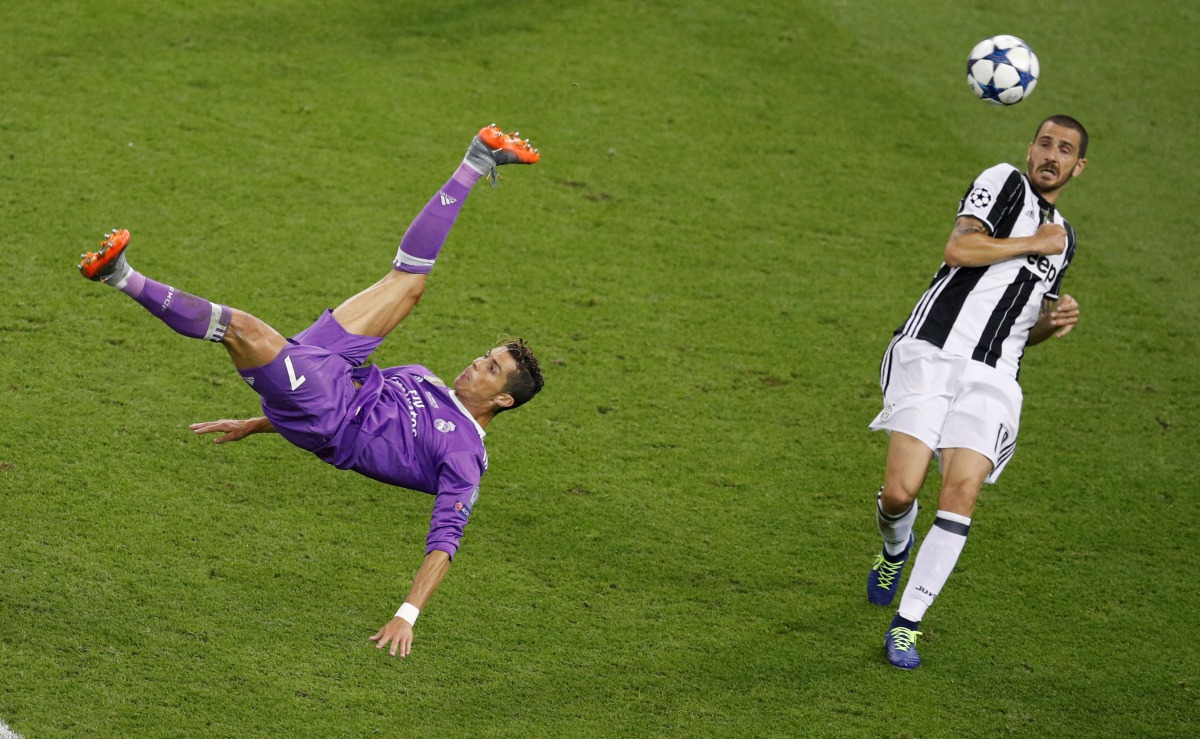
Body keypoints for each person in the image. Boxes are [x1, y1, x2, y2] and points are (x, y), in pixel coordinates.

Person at [77, 125, 545, 659]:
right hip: (341, 369)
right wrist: (258, 423)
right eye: (485, 355)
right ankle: (478, 159)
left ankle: (119, 275)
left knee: (242, 329)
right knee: (407, 283)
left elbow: (445, 543)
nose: (476, 363)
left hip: (331, 412)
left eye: (491, 369)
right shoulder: (427, 379)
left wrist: (406, 613)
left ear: (503, 400)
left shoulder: (464, 458)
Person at [864, 115, 1088, 669]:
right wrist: (1033, 242)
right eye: (1045, 143)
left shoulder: (1065, 241)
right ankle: (895, 546)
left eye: (1064, 150)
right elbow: (960, 250)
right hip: (932, 352)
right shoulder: (1004, 182)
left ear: (1078, 167)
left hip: (994, 376)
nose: (1051, 155)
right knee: (901, 492)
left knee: (961, 491)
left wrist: (1053, 321)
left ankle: (907, 625)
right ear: (1030, 149)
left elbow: (1022, 326)